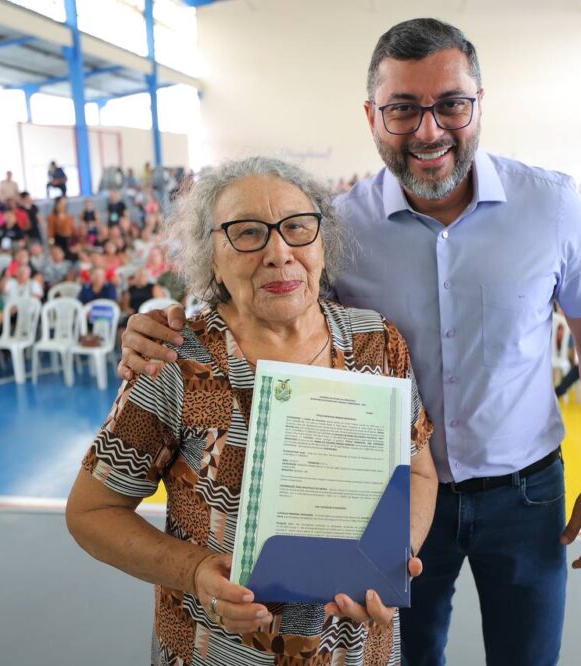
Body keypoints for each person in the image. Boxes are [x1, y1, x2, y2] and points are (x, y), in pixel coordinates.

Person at [117, 19, 581, 666]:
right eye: (402, 109)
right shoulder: (339, 226)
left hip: (526, 494)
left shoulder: (552, 207)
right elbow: (268, 303)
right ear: (371, 116)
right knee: (408, 656)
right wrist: (167, 323)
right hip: (392, 496)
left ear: (479, 104)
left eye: (451, 104)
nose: (429, 130)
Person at [66, 157, 438, 665]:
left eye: (297, 227)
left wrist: (390, 560)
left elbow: (419, 472)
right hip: (215, 649)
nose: (279, 253)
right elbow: (91, 512)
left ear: (322, 243)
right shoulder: (177, 359)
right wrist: (195, 571)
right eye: (246, 233)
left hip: (354, 650)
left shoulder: (375, 341)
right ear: (210, 258)